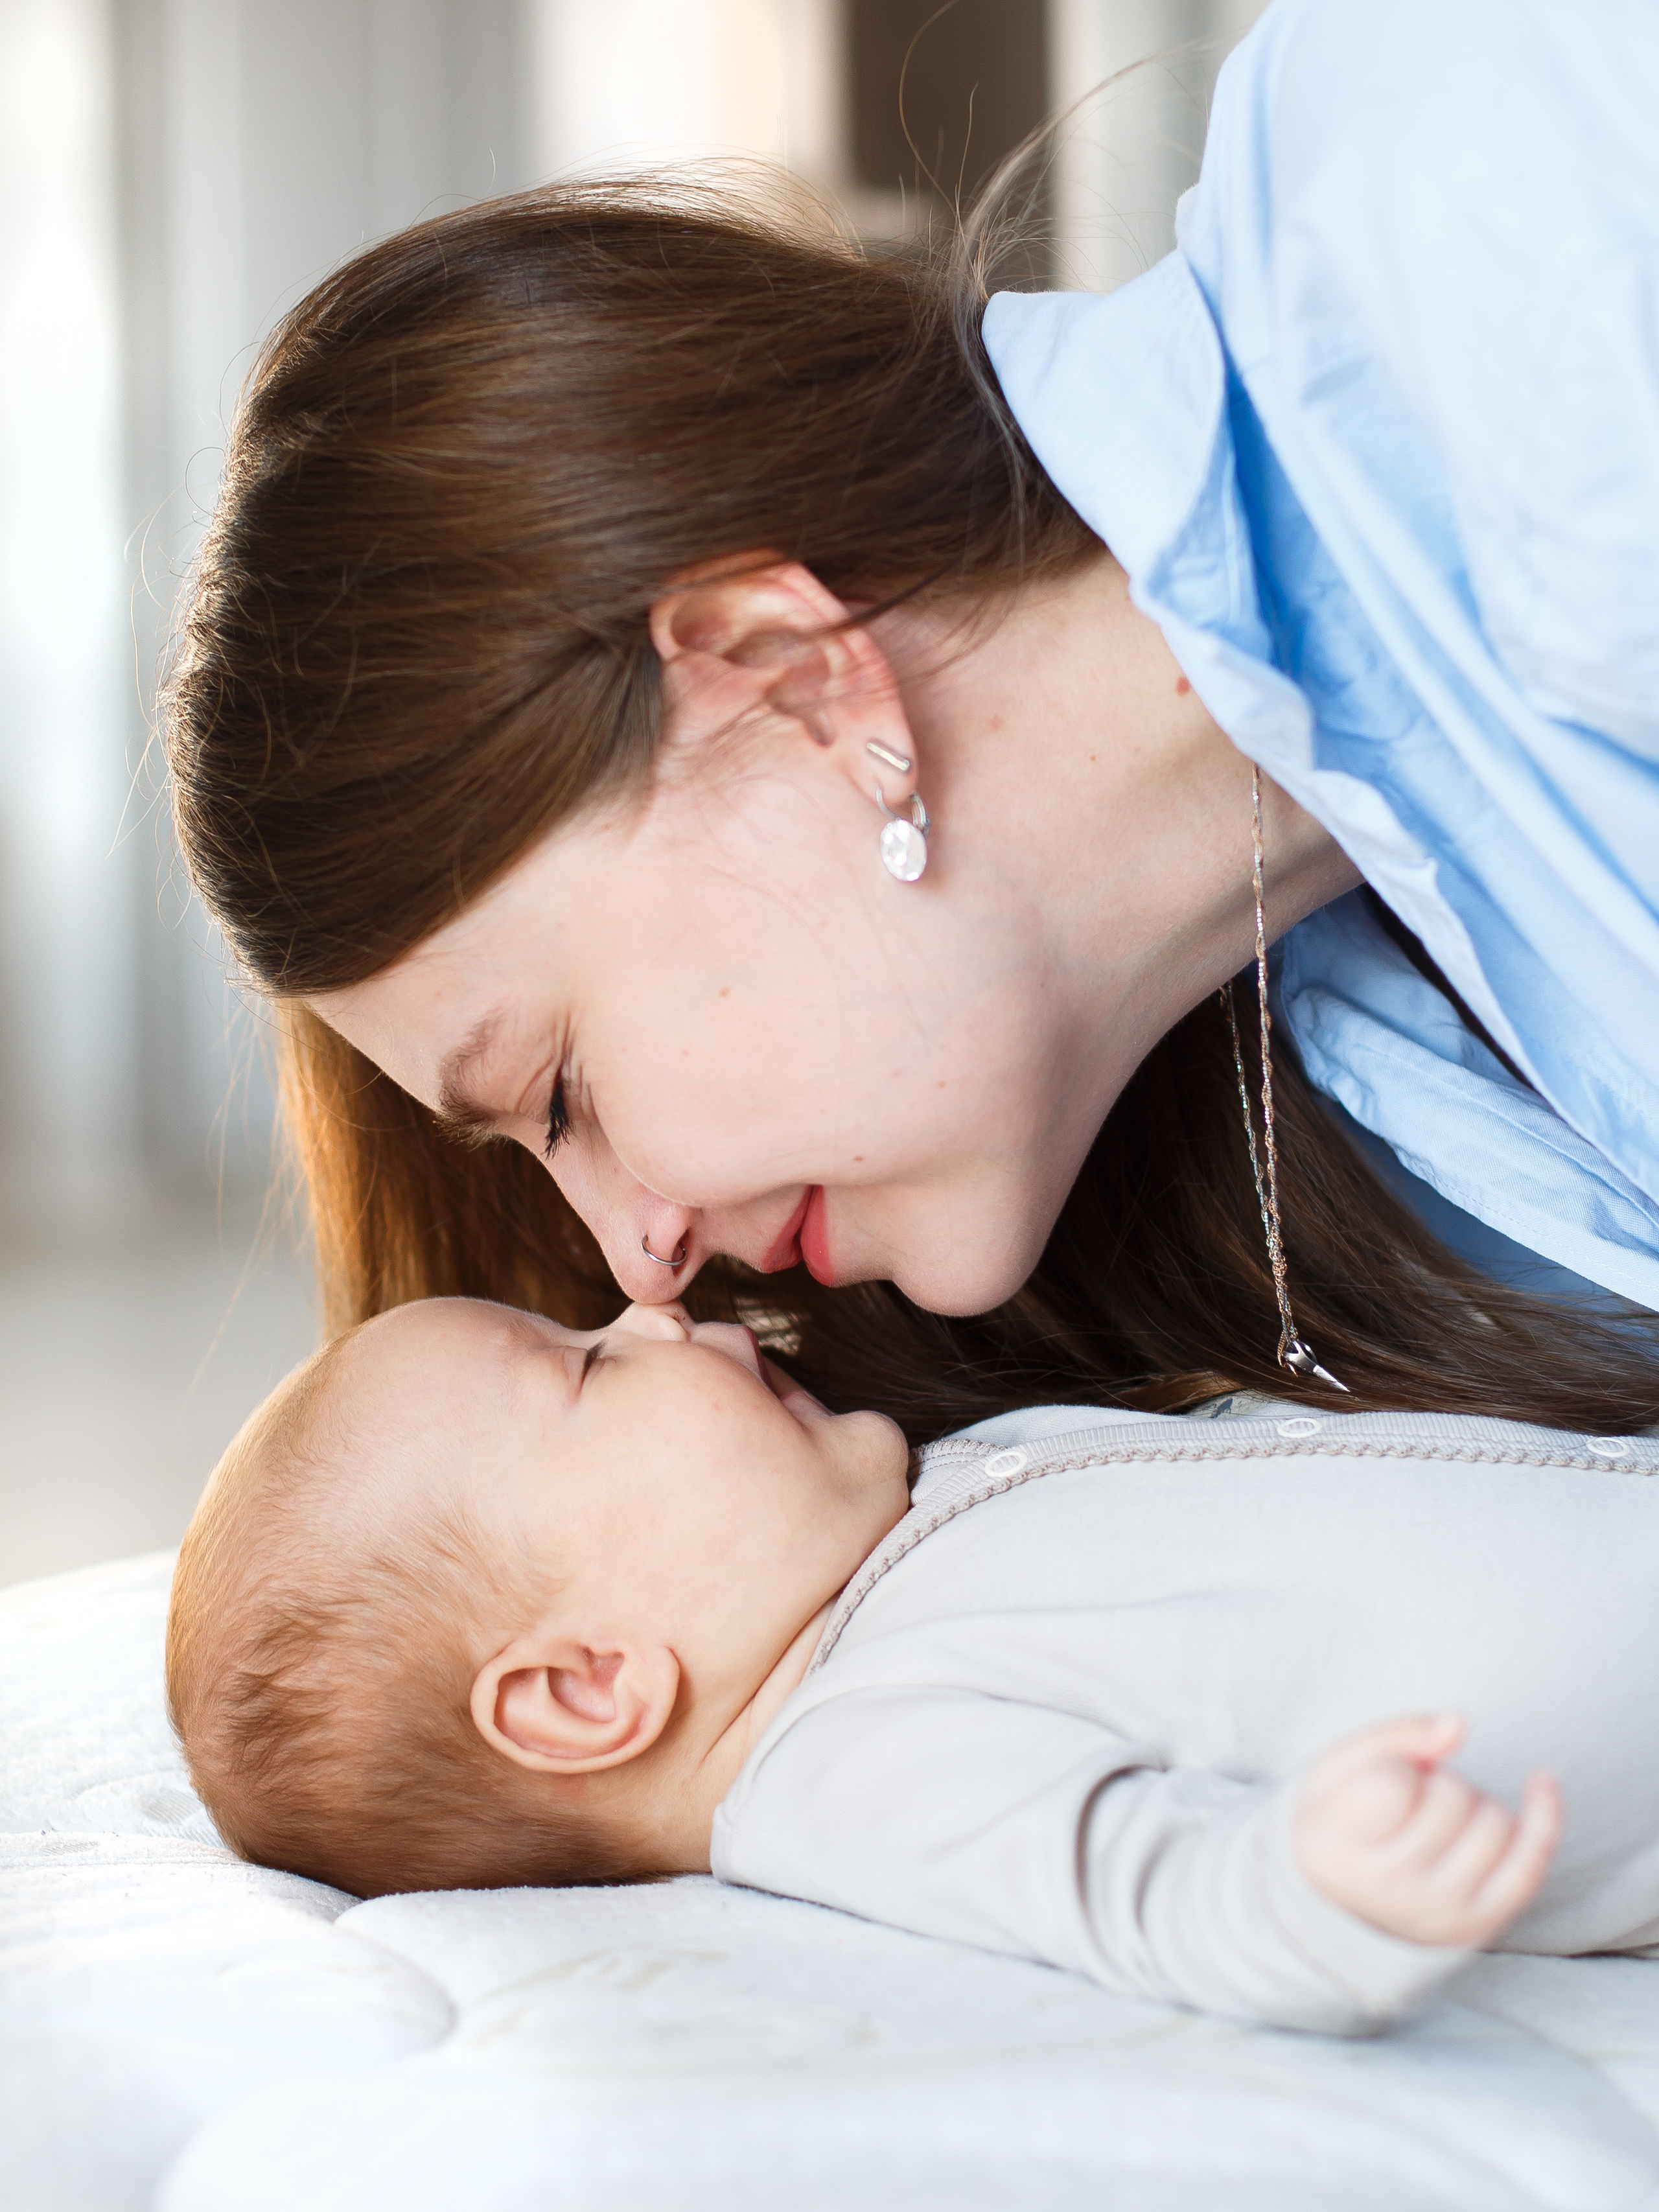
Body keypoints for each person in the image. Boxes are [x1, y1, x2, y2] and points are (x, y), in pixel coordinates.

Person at [163, 0, 1659, 1436]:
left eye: (560, 1097)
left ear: (790, 677)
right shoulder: (1364, 1120)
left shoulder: (1520, 207)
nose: (641, 1262)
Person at [168, 1293, 1659, 2037]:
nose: (653, 1308)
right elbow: (1140, 1894)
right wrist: (1313, 1886)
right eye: (588, 1362)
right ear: (585, 1688)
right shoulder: (849, 1765)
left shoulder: (892, 1531)